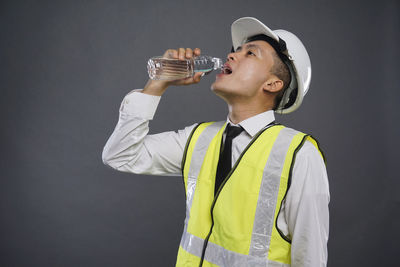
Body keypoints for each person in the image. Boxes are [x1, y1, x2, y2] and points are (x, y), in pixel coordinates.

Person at [102, 17, 329, 267]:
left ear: (273, 84)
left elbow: (310, 257)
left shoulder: (298, 154)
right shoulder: (198, 138)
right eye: (235, 51)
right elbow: (120, 155)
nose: (231, 56)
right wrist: (157, 84)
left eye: (251, 54)